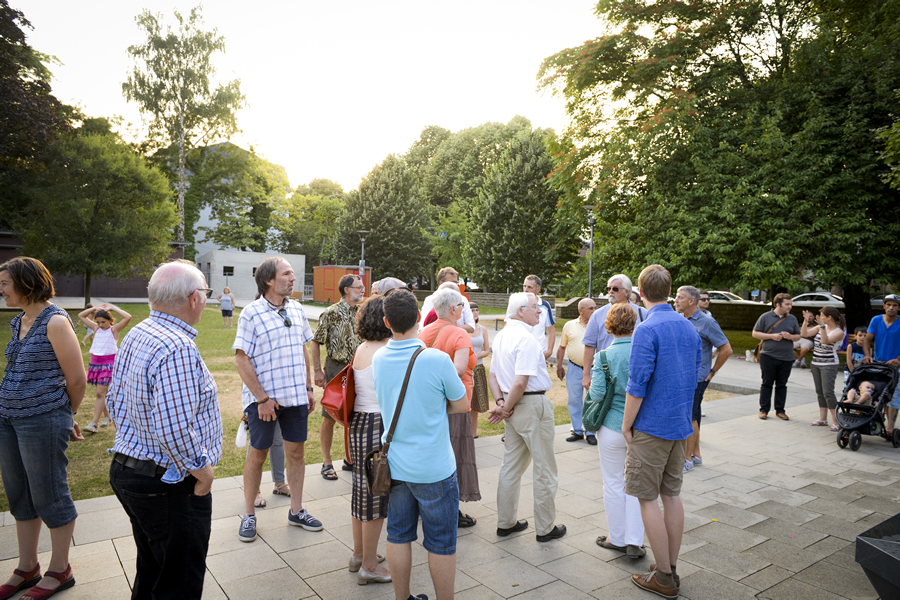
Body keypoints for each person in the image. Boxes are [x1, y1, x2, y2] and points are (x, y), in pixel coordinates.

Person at [106, 260, 222, 599]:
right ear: (193, 298)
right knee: (179, 583)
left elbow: (114, 402)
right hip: (168, 483)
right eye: (206, 292)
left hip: (133, 473)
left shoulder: (139, 332)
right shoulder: (177, 347)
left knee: (154, 571)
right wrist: (201, 472)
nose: (206, 299)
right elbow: (174, 428)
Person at [373, 289, 468, 600]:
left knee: (398, 535)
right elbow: (461, 404)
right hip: (434, 467)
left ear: (387, 322)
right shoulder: (437, 360)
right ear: (418, 317)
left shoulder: (379, 357)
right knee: (441, 542)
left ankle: (403, 597)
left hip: (396, 466)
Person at [0, 257, 85, 600]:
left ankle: (59, 569)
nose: (1, 289)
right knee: (20, 494)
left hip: (43, 419)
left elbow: (77, 379)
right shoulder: (19, 320)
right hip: (9, 419)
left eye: (5, 283)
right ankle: (27, 567)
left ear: (26, 283)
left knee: (49, 494)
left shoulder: (56, 321)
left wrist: (66, 416)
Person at [622, 265, 701, 598]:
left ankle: (665, 576)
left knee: (647, 498)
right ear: (670, 292)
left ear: (640, 292)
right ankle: (669, 566)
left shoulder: (646, 328)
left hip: (652, 426)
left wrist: (627, 425)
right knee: (672, 495)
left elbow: (637, 384)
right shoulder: (689, 328)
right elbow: (695, 375)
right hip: (678, 424)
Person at [234, 257, 322, 543]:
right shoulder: (251, 313)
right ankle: (249, 514)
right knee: (257, 454)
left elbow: (303, 350)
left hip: (295, 397)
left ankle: (296, 511)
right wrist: (262, 399)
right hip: (264, 402)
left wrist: (308, 388)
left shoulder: (296, 309)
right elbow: (241, 358)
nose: (293, 278)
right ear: (269, 280)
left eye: (293, 274)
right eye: (287, 274)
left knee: (296, 453)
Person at [489, 292, 566, 543]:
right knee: (544, 468)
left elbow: (493, 376)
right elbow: (521, 381)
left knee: (511, 466)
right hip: (531, 405)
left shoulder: (501, 336)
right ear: (521, 310)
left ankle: (506, 522)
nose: (540, 311)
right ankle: (545, 528)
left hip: (513, 407)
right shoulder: (527, 339)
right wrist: (505, 406)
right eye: (535, 307)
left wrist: (502, 404)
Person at [419, 287, 481, 528]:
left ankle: (429, 505)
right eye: (462, 306)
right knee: (454, 457)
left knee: (434, 456)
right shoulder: (458, 334)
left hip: (430, 405)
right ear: (454, 309)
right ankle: (450, 511)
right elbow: (457, 369)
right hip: (456, 404)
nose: (464, 310)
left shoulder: (423, 333)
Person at [589, 303, 646, 559]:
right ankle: (636, 540)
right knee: (636, 485)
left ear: (608, 325)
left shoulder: (603, 357)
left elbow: (598, 393)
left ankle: (617, 538)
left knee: (613, 482)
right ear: (635, 323)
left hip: (612, 426)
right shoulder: (644, 351)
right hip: (641, 426)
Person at [348, 297, 392, 585]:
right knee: (376, 496)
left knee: (361, 492)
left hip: (358, 425)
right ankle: (368, 566)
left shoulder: (362, 348)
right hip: (377, 426)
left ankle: (359, 554)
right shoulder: (387, 351)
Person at [673, 286, 732, 472]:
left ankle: (687, 459)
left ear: (692, 301)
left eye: (680, 297)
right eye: (676, 296)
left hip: (697, 378)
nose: (676, 300)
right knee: (694, 415)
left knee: (689, 417)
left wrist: (712, 371)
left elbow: (727, 349)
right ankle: (696, 454)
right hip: (684, 377)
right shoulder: (681, 318)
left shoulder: (707, 322)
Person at [311, 274, 364, 480]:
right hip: (336, 368)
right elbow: (316, 341)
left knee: (356, 415)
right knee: (330, 415)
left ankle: (350, 459)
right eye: (358, 287)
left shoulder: (362, 313)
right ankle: (326, 463)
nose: (362, 290)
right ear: (346, 290)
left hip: (359, 367)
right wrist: (317, 371)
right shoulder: (331, 313)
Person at [582, 274, 645, 390]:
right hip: (605, 374)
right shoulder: (598, 315)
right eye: (608, 288)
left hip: (633, 374)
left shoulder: (642, 314)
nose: (611, 291)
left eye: (615, 289)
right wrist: (586, 375)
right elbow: (589, 345)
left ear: (627, 291)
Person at [77, 303, 132, 434]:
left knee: (100, 394)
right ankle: (107, 417)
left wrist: (113, 308)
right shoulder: (96, 328)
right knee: (103, 393)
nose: (101, 324)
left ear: (110, 321)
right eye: (98, 322)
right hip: (95, 364)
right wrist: (95, 308)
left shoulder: (114, 330)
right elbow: (81, 315)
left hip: (108, 365)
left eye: (103, 322)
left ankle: (94, 423)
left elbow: (128, 317)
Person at [752, 293, 801, 420]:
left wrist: (790, 337)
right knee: (767, 383)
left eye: (791, 304)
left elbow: (798, 336)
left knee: (782, 384)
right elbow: (755, 333)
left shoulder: (792, 319)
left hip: (787, 357)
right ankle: (764, 410)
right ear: (778, 304)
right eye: (787, 304)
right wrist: (772, 336)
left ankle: (780, 410)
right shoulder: (765, 317)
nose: (790, 307)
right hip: (768, 355)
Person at [556, 297, 598, 444]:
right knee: (574, 400)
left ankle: (591, 432)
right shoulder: (569, 325)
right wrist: (559, 365)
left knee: (592, 400)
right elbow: (562, 347)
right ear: (581, 311)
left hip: (594, 369)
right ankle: (577, 430)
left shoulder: (600, 324)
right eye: (591, 308)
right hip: (574, 368)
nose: (595, 310)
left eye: (595, 307)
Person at [803, 307, 846, 430]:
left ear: (829, 317)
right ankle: (822, 419)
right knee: (820, 392)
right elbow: (804, 334)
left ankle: (836, 421)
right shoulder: (820, 328)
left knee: (828, 393)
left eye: (822, 315)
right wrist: (805, 321)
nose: (820, 318)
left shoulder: (839, 332)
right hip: (816, 363)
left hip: (829, 364)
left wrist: (822, 328)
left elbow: (824, 341)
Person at [862, 293, 900, 431]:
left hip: (895, 365)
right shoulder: (876, 320)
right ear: (884, 306)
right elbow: (867, 339)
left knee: (894, 396)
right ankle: (872, 421)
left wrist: (898, 360)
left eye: (894, 305)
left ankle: (890, 429)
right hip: (878, 363)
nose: (891, 308)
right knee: (875, 392)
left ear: (898, 308)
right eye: (888, 305)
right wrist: (867, 355)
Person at [420, 267, 475, 333]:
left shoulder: (463, 299)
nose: (455, 286)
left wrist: (457, 326)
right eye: (452, 282)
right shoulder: (430, 300)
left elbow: (471, 327)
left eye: (456, 283)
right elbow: (422, 327)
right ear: (441, 283)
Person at [469, 302, 491, 437]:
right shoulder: (462, 329)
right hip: (465, 367)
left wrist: (475, 356)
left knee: (476, 403)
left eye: (477, 310)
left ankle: (473, 432)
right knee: (465, 401)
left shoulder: (483, 329)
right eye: (472, 310)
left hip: (478, 367)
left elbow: (487, 350)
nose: (475, 313)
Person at [522, 275, 556, 360]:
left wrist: (549, 351)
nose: (526, 289)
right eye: (524, 286)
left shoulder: (545, 305)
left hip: (538, 353)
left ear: (538, 290)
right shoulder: (516, 304)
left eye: (529, 287)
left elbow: (551, 330)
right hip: (520, 352)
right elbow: (507, 326)